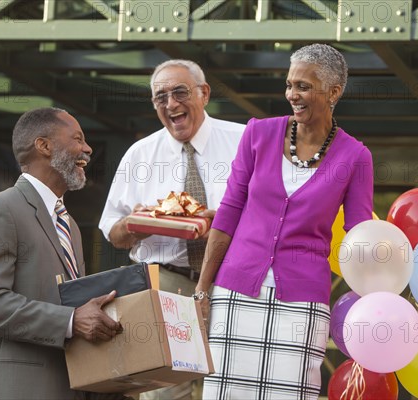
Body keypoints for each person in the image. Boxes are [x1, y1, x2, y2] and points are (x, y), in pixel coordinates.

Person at [195, 44, 374, 399]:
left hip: (303, 300)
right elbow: (228, 212)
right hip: (235, 290)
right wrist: (203, 290)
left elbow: (359, 239)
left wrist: (373, 302)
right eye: (290, 84)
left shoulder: (356, 157)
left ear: (333, 91)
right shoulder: (258, 134)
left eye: (303, 86)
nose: (292, 94)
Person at [98, 59, 245, 400]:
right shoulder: (140, 154)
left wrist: (223, 223)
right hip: (166, 285)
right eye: (160, 97)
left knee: (231, 389)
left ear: (204, 93)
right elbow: (114, 232)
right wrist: (137, 225)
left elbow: (270, 216)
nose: (171, 104)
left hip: (230, 283)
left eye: (180, 92)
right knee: (164, 393)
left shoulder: (243, 141)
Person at [0, 107, 129, 399]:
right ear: (44, 146)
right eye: (77, 138)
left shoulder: (71, 226)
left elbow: (72, 305)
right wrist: (70, 320)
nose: (87, 149)